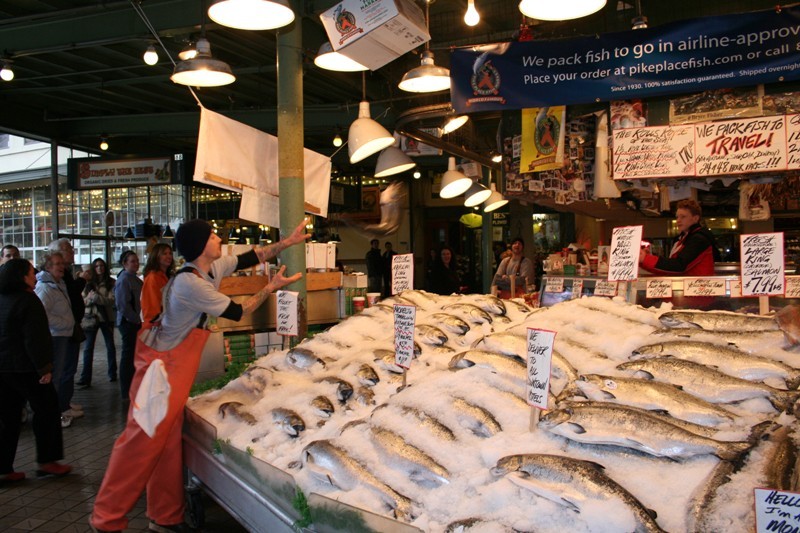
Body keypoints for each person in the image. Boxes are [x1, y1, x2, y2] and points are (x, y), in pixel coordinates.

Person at [90, 217, 310, 533]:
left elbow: (253, 257)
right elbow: (239, 312)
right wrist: (271, 287)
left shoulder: (208, 269)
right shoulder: (189, 284)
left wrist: (286, 243)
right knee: (139, 445)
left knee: (166, 444)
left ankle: (165, 516)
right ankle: (105, 519)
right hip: (159, 373)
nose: (218, 238)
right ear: (200, 245)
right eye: (212, 235)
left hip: (175, 369)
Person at [0, 259, 72, 480]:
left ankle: (3, 468)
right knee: (47, 410)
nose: (35, 275)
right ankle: (47, 461)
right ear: (22, 277)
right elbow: (36, 339)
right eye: (32, 273)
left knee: (7, 417)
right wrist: (44, 368)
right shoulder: (28, 301)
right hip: (27, 367)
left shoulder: (3, 299)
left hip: (4, 368)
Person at [34, 252, 82, 428]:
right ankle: (50, 414)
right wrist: (64, 323)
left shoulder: (58, 284)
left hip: (62, 335)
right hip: (55, 336)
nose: (62, 267)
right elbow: (42, 315)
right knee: (53, 378)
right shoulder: (45, 288)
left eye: (62, 263)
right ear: (48, 267)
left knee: (59, 375)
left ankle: (54, 411)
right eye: (57, 264)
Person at [49, 239, 86, 415]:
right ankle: (61, 407)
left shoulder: (64, 278)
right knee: (62, 369)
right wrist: (67, 323)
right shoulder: (48, 286)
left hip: (69, 328)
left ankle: (65, 401)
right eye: (67, 250)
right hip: (60, 332)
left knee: (69, 367)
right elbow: (46, 313)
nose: (72, 252)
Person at [639, 199, 721, 276]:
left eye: (683, 217)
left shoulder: (699, 239)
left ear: (695, 218)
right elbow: (669, 270)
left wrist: (646, 259)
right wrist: (644, 259)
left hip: (699, 288)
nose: (678, 220)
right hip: (689, 287)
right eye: (677, 217)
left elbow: (679, 266)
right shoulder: (682, 239)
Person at [77, 258, 117, 388]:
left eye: (101, 266)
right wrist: (89, 299)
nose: (99, 268)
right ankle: (85, 377)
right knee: (88, 348)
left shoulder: (111, 283)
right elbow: (83, 301)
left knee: (110, 346)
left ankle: (112, 373)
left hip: (106, 318)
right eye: (96, 266)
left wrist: (96, 298)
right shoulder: (88, 284)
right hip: (90, 317)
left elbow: (111, 301)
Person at [114, 250, 142, 403]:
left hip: (134, 322)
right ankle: (126, 391)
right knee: (128, 357)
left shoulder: (134, 278)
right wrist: (136, 319)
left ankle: (132, 388)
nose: (136, 263)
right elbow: (123, 305)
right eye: (132, 261)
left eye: (137, 260)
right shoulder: (124, 279)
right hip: (129, 323)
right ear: (125, 263)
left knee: (132, 356)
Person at [140, 243, 175, 329]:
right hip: (157, 324)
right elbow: (151, 304)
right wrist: (155, 324)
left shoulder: (167, 276)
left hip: (167, 321)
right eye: (164, 253)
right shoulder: (153, 277)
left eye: (170, 253)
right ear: (156, 256)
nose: (169, 256)